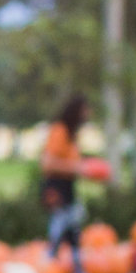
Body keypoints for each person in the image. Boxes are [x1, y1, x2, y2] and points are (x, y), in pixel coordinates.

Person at [40, 95, 89, 262]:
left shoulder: (72, 135)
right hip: (56, 186)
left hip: (68, 186)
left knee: (73, 226)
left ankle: (76, 268)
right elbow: (47, 162)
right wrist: (75, 167)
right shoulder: (59, 131)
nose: (87, 115)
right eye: (84, 111)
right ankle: (49, 262)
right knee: (59, 226)